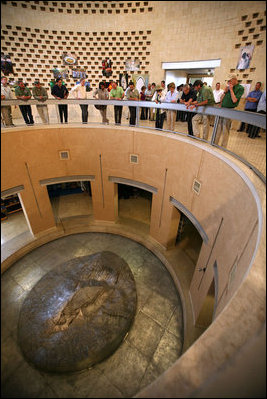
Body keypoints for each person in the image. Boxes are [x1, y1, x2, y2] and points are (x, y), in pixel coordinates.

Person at [214, 74, 244, 148]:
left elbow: (234, 100)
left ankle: (223, 146)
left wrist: (231, 90)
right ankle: (215, 143)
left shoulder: (240, 88)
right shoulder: (227, 87)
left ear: (234, 79)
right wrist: (225, 92)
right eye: (228, 81)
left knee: (225, 128)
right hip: (222, 109)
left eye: (230, 81)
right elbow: (220, 99)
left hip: (230, 110)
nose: (229, 82)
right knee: (218, 127)